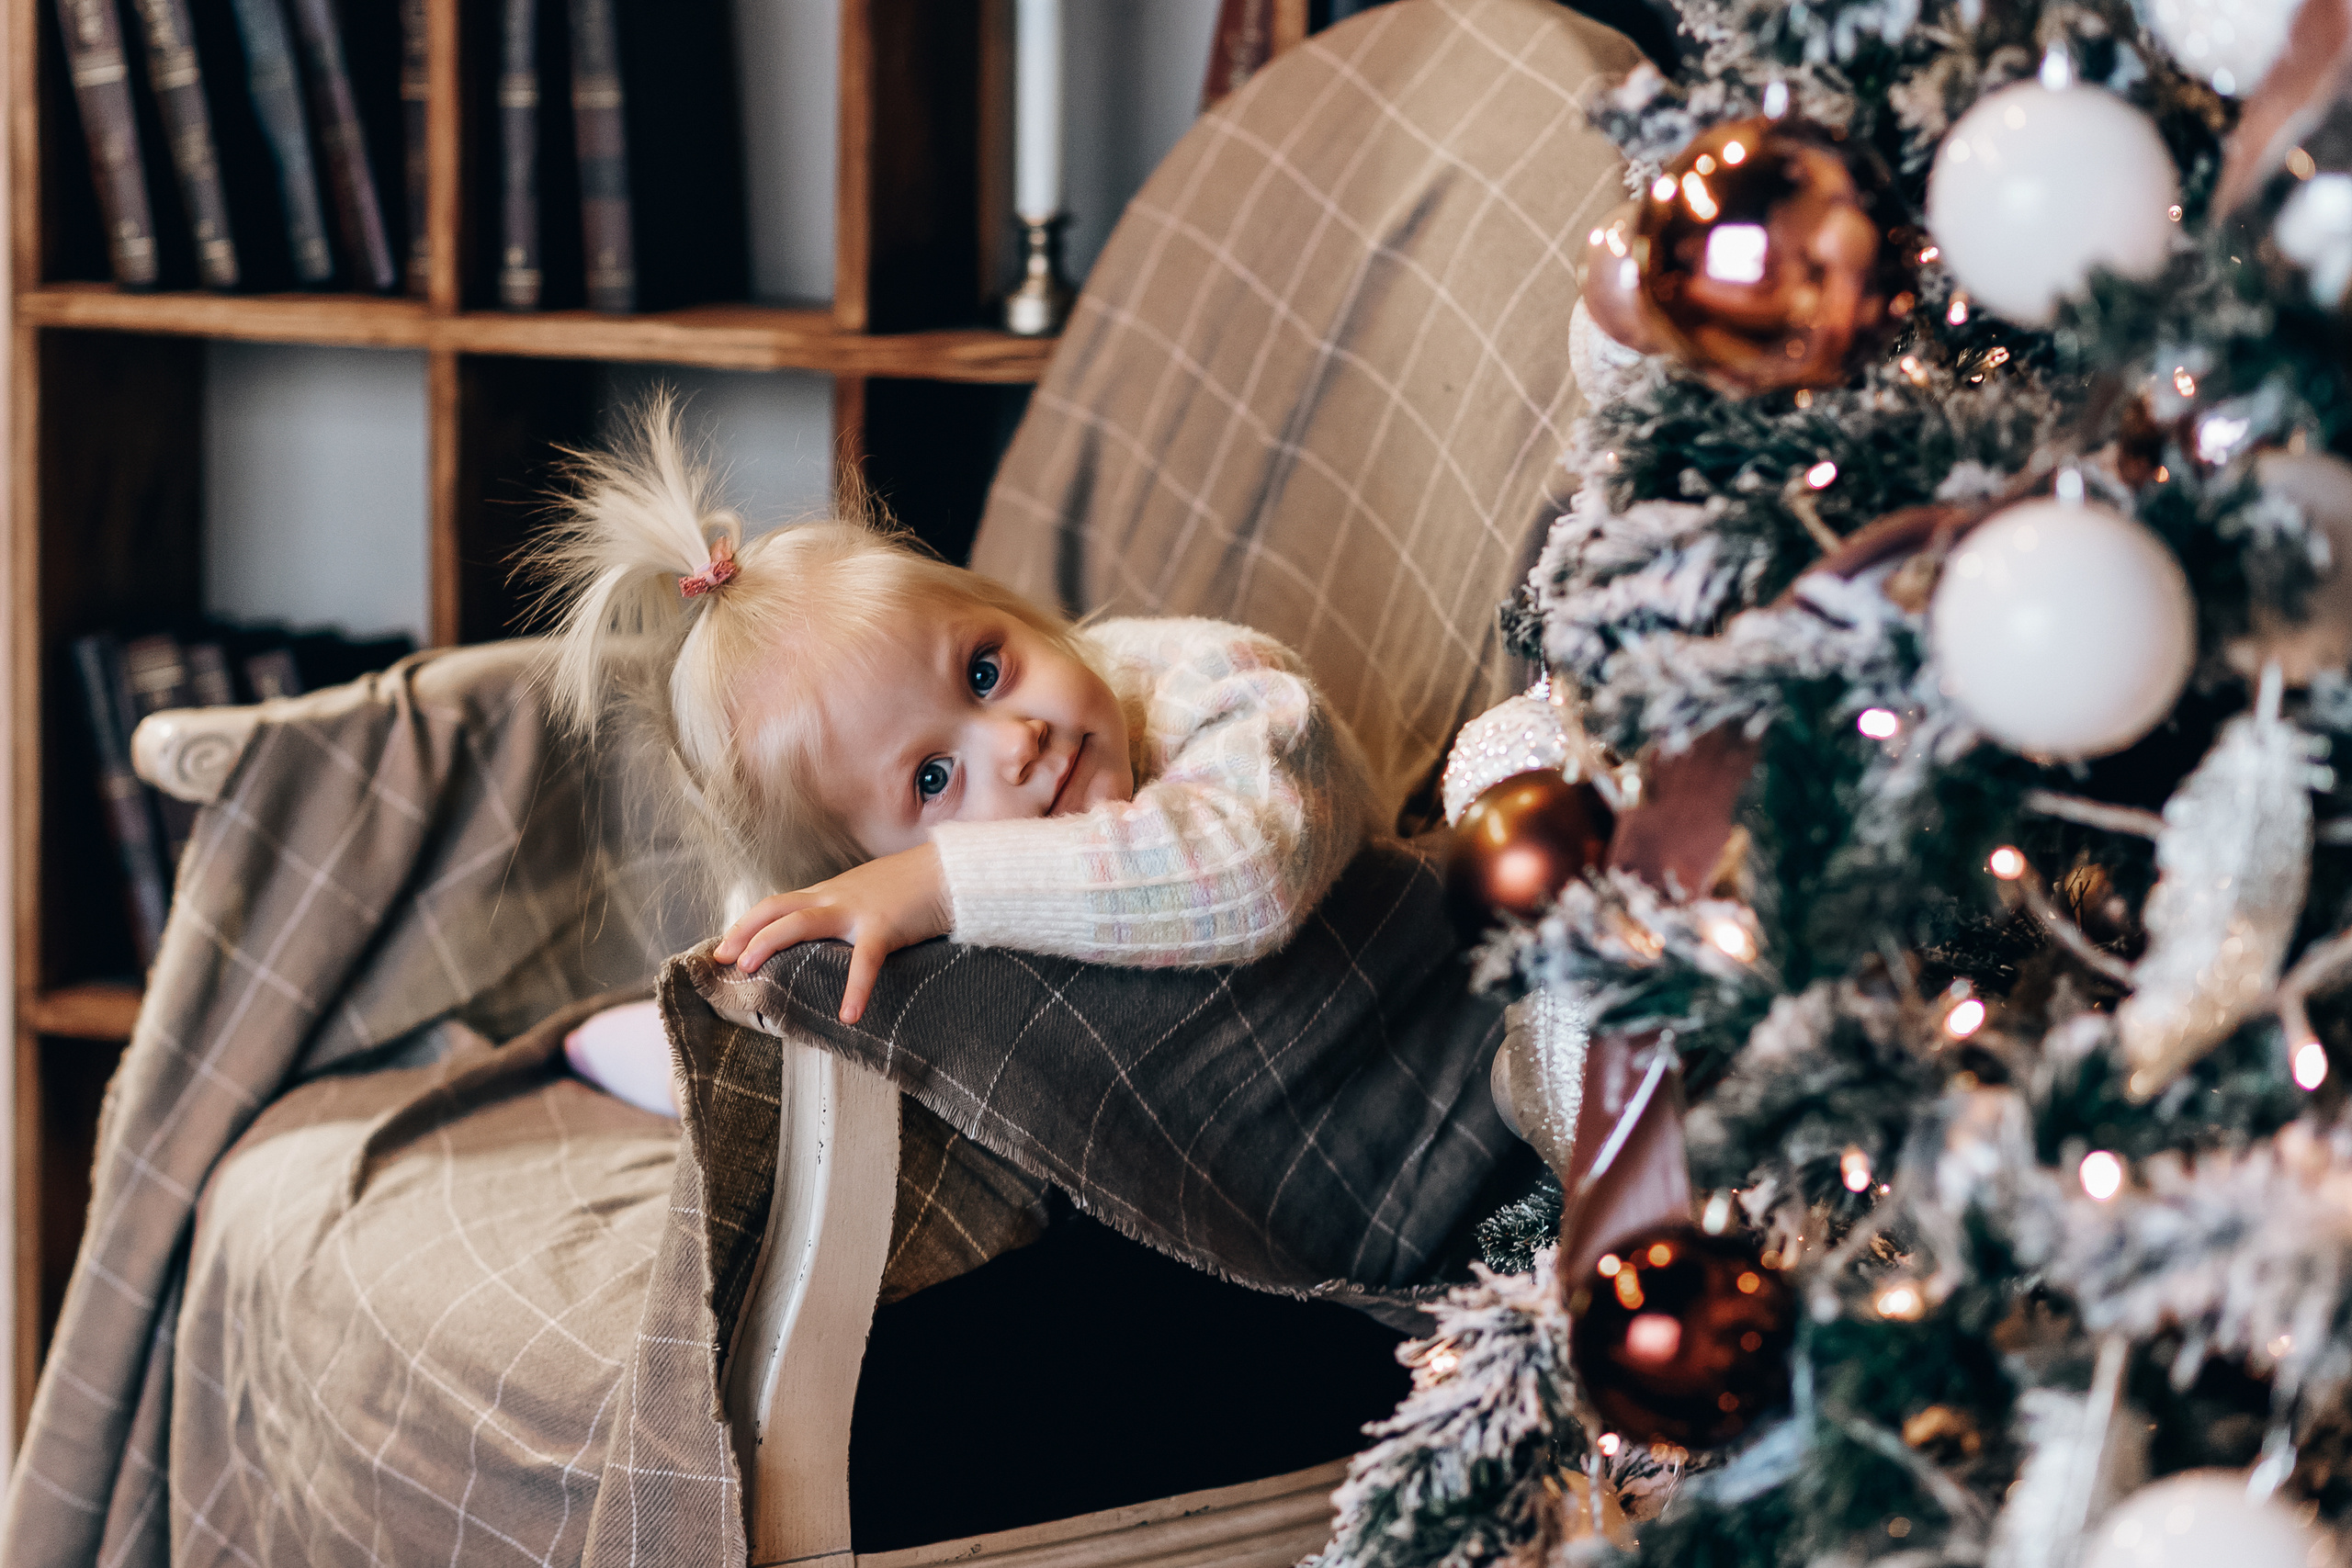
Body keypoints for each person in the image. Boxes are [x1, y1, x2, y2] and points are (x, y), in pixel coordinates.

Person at [541, 397, 1377, 1112]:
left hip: (1365, 1058)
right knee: (795, 1040)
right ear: (861, 864)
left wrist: (936, 879)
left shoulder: (1222, 689)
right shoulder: (901, 911)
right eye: (932, 778)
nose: (1019, 742)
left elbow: (1246, 875)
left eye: (985, 669)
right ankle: (664, 1051)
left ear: (1013, 611)